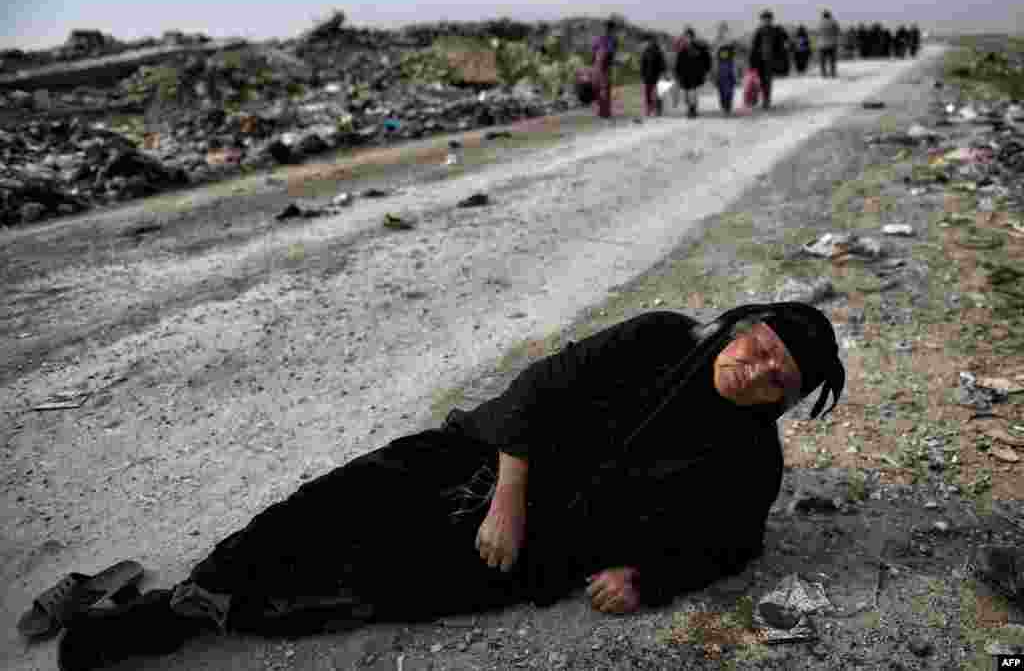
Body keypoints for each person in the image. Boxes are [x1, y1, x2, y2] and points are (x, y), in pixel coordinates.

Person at [55, 302, 845, 671]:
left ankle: (232, 615)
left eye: (781, 373)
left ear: (786, 396)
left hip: (548, 546)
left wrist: (646, 577)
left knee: (377, 584)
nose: (759, 364)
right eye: (762, 341)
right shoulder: (660, 336)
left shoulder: (751, 465)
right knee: (331, 507)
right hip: (482, 454)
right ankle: (186, 602)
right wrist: (507, 496)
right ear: (746, 324)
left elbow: (733, 543)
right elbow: (541, 386)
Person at [748, 10, 788, 109]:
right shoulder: (759, 31)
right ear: (762, 20)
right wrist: (752, 61)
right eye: (764, 19)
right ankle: (758, 98)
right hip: (759, 60)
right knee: (760, 81)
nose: (766, 21)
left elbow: (784, 40)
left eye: (768, 19)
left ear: (771, 19)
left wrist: (783, 34)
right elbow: (754, 47)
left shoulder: (776, 30)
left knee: (767, 81)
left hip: (771, 60)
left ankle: (766, 100)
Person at [674, 27, 712, 118]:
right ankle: (691, 108)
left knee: (693, 92)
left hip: (696, 74)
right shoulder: (682, 48)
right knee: (687, 95)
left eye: (688, 36)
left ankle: (692, 110)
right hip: (684, 75)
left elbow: (707, 59)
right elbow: (678, 62)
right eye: (686, 37)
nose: (687, 38)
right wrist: (677, 74)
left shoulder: (700, 47)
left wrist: (707, 71)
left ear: (692, 37)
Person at [591, 19, 618, 118]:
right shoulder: (612, 39)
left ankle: (602, 110)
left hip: (597, 66)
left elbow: (593, 52)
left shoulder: (598, 38)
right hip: (605, 66)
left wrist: (594, 62)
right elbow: (611, 53)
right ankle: (605, 111)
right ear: (612, 28)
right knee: (605, 88)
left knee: (599, 88)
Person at [713, 24, 741, 115]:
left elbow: (736, 57)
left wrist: (737, 72)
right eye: (721, 30)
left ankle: (727, 107)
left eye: (724, 30)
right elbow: (714, 57)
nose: (723, 32)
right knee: (721, 90)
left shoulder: (732, 42)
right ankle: (724, 107)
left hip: (729, 67)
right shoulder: (716, 41)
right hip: (720, 68)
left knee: (729, 90)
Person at [640, 35, 667, 117]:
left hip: (657, 76)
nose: (648, 43)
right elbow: (643, 64)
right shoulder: (645, 52)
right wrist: (642, 75)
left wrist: (663, 74)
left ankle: (658, 110)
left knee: (658, 93)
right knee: (647, 93)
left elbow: (662, 64)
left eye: (650, 41)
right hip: (647, 76)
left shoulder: (658, 51)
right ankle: (649, 109)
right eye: (648, 42)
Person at [818, 10, 841, 78]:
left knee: (823, 61)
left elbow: (818, 32)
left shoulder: (820, 23)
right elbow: (838, 31)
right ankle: (833, 73)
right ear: (829, 15)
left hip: (822, 44)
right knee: (832, 60)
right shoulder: (834, 22)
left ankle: (823, 73)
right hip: (832, 44)